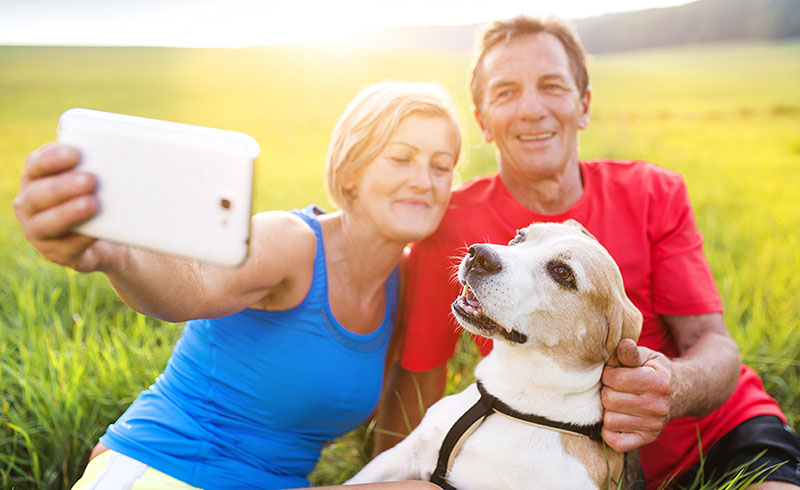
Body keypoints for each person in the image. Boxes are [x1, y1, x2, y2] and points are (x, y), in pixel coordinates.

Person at [374, 16, 800, 489]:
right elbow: (419, 382)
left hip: (721, 432)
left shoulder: (654, 192)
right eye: (506, 92)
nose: (532, 109)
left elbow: (714, 344)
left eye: (552, 86)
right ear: (483, 121)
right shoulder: (452, 224)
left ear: (584, 105)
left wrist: (671, 389)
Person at [13, 80, 461, 490]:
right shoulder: (292, 242)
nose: (423, 181)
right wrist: (120, 254)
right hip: (167, 467)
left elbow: (398, 435)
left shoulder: (403, 284)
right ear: (351, 172)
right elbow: (195, 283)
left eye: (441, 167)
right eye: (401, 158)